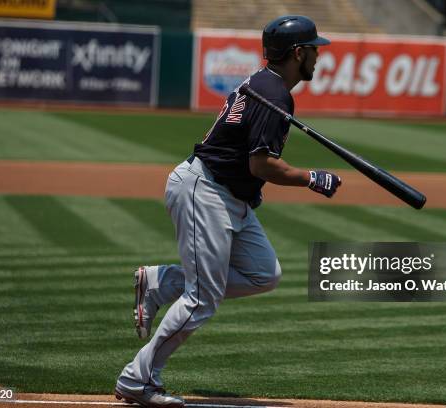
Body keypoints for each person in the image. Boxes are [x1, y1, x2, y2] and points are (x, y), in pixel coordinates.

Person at [114, 15, 342, 408]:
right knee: (202, 299)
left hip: (226, 195)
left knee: (264, 274)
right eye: (314, 50)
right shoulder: (275, 93)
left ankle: (161, 282)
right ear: (299, 53)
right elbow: (261, 165)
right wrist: (311, 178)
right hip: (206, 191)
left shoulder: (262, 83)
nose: (319, 58)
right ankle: (139, 379)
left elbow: (248, 163)